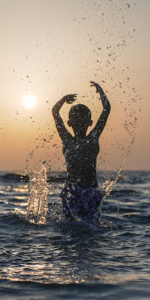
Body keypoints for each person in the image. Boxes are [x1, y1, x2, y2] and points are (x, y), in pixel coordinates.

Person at [52, 81, 111, 222]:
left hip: (91, 191)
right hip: (71, 191)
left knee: (90, 224)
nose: (80, 122)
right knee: (71, 223)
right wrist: (63, 99)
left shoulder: (93, 137)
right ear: (69, 123)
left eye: (83, 119)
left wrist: (101, 92)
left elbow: (106, 109)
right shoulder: (67, 139)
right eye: (76, 119)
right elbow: (55, 112)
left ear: (90, 123)